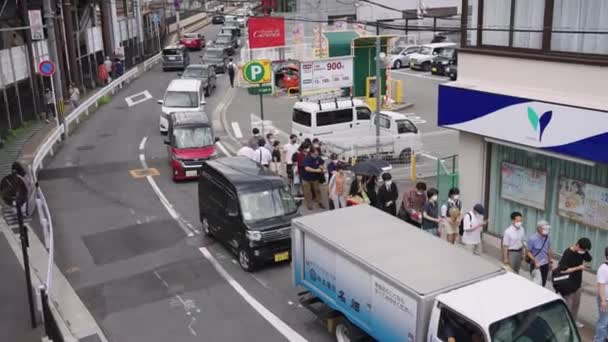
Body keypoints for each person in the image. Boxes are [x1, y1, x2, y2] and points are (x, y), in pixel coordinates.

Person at [555, 238, 592, 328]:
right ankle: (565, 325)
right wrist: (578, 268)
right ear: (578, 245)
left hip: (577, 283)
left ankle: (574, 321)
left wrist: (585, 254)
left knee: (576, 304)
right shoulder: (568, 253)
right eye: (583, 249)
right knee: (568, 306)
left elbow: (589, 259)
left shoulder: (582, 252)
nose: (583, 252)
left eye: (585, 250)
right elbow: (563, 270)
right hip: (567, 284)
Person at [526, 220, 553, 287]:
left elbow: (549, 250)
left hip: (545, 264)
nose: (546, 230)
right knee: (537, 284)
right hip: (536, 265)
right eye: (544, 229)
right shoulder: (532, 239)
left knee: (543, 282)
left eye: (547, 229)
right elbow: (528, 252)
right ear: (538, 228)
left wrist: (550, 262)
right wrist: (535, 261)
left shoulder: (547, 238)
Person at [594, 246, 608, 342]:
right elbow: (601, 285)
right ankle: (598, 339)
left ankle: (605, 337)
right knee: (603, 321)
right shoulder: (603, 268)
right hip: (605, 299)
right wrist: (603, 300)